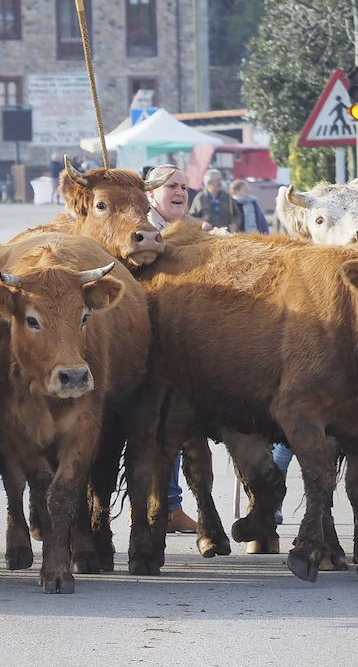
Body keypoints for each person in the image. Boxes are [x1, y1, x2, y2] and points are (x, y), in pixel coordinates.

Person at [144, 163, 199, 535]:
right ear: (150, 194)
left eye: (184, 186)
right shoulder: (141, 229)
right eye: (171, 186)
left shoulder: (192, 231)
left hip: (181, 342)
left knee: (174, 425)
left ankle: (169, 505)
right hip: (141, 342)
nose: (180, 192)